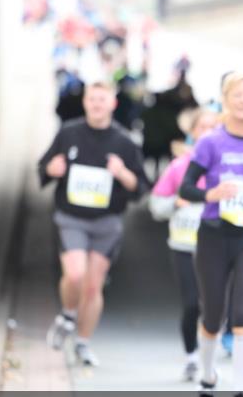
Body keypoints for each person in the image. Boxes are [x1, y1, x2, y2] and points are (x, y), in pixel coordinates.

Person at [178, 73, 243, 397]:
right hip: (215, 235)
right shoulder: (211, 142)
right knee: (213, 316)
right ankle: (207, 377)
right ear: (225, 99)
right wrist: (211, 194)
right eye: (238, 95)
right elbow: (186, 188)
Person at [39, 81, 148, 367]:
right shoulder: (68, 133)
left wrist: (122, 173)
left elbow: (140, 188)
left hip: (106, 222)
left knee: (92, 286)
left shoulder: (124, 142)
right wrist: (52, 169)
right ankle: (68, 315)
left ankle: (83, 342)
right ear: (85, 102)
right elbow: (44, 167)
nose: (97, 104)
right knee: (75, 274)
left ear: (113, 104)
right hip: (72, 217)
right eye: (92, 99)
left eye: (102, 99)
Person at [149, 108, 221, 381]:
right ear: (193, 133)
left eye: (214, 127)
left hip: (217, 246)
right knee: (192, 304)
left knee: (214, 306)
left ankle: (208, 356)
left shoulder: (227, 166)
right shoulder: (180, 166)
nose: (208, 133)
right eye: (203, 127)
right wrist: (176, 203)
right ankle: (192, 357)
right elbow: (156, 206)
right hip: (184, 246)